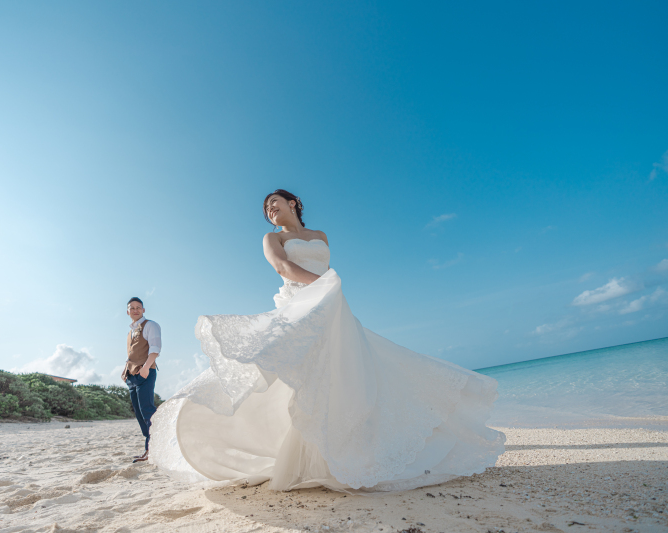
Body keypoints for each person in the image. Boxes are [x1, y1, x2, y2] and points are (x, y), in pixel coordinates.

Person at [151, 190, 505, 491]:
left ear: (293, 203)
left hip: (333, 305)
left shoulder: (320, 234)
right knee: (299, 375)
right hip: (302, 304)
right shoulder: (273, 239)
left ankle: (350, 450)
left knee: (348, 374)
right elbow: (282, 268)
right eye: (266, 209)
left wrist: (328, 288)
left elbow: (322, 266)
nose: (270, 210)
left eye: (275, 203)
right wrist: (323, 284)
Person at [122, 296, 161, 463]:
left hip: (145, 372)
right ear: (128, 312)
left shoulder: (150, 325)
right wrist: (125, 372)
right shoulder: (130, 332)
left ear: (143, 310)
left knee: (147, 411)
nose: (135, 310)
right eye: (132, 308)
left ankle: (154, 449)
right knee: (139, 414)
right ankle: (148, 449)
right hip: (132, 376)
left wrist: (145, 368)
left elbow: (155, 348)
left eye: (138, 307)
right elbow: (132, 354)